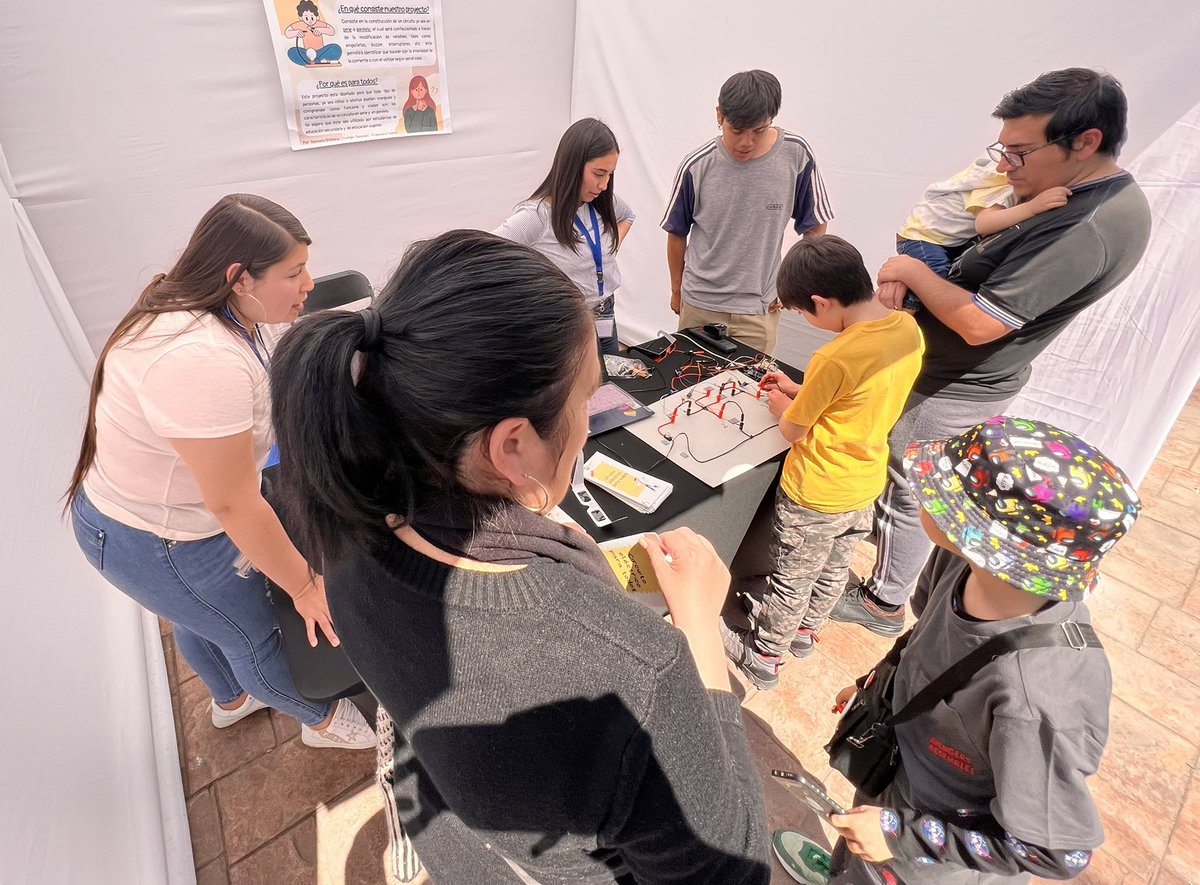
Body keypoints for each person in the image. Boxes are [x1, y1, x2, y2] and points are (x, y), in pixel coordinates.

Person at [268, 230, 772, 883]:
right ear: (511, 447)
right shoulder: (638, 673)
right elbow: (733, 869)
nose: (589, 422)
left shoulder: (341, 522)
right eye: (585, 399)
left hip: (454, 843)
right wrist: (699, 626)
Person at [832, 67, 1152, 637]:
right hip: (953, 370)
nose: (1006, 167)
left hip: (956, 378)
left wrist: (908, 268)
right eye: (1002, 151)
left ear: (1086, 142)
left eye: (1021, 153)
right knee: (930, 491)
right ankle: (915, 592)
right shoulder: (1072, 197)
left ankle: (884, 603)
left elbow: (981, 323)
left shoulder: (1091, 228)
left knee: (910, 490)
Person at [64, 194, 376, 750]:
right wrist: (304, 584)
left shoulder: (225, 309)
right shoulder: (199, 362)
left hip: (135, 519)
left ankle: (231, 700)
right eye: (295, 272)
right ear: (239, 278)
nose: (309, 285)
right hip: (156, 539)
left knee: (199, 614)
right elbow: (235, 504)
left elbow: (288, 364)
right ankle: (325, 724)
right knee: (256, 637)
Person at [777, 416, 1138, 883]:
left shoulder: (1037, 697)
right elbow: (928, 632)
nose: (923, 489)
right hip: (897, 776)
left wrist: (900, 834)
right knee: (855, 856)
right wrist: (882, 682)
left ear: (991, 543)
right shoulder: (961, 560)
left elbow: (1058, 854)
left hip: (934, 856)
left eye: (946, 493)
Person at [719, 236, 923, 690]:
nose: (808, 323)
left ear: (821, 303)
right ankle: (807, 634)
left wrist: (781, 404)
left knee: (792, 577)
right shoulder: (907, 330)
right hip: (865, 481)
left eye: (803, 314)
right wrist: (799, 389)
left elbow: (795, 430)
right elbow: (855, 400)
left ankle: (764, 656)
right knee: (834, 566)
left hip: (817, 488)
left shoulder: (834, 356)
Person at [662, 70, 832, 354]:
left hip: (759, 311)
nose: (746, 142)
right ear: (720, 116)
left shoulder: (796, 155)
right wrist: (677, 291)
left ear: (771, 120)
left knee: (751, 393)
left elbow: (815, 227)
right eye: (737, 130)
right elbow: (676, 233)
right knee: (690, 389)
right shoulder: (697, 165)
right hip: (700, 306)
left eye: (758, 130)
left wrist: (792, 283)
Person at [493, 118, 635, 354]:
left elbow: (628, 215)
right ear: (572, 165)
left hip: (605, 313)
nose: (604, 184)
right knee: (575, 389)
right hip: (566, 324)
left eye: (610, 174)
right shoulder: (538, 215)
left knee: (612, 383)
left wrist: (608, 250)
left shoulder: (601, 202)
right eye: (599, 173)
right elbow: (486, 251)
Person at [892, 157, 1071, 287]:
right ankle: (908, 310)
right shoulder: (1003, 186)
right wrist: (1033, 207)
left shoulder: (996, 178)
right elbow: (985, 224)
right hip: (923, 237)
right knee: (936, 281)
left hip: (932, 236)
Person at [284, 0, 342, 67]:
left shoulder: (319, 24)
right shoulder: (300, 24)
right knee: (292, 52)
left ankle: (316, 61)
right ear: (301, 18)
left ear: (317, 17)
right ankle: (316, 61)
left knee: (336, 48)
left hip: (321, 52)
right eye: (306, 18)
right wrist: (296, 32)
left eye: (312, 17)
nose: (310, 20)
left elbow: (332, 31)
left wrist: (322, 30)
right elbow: (287, 32)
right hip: (307, 53)